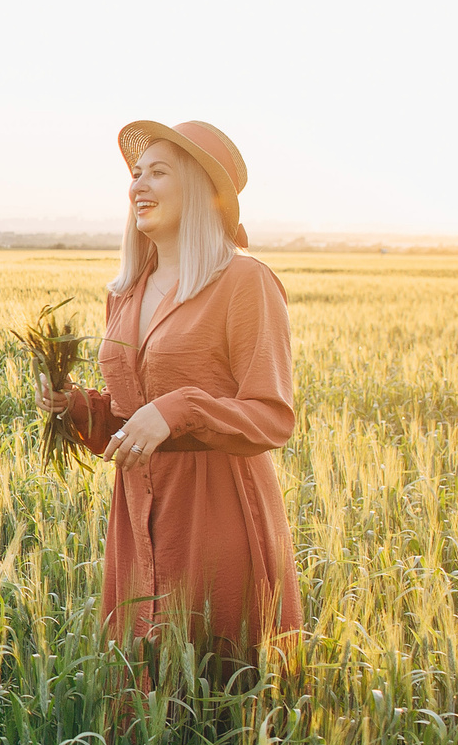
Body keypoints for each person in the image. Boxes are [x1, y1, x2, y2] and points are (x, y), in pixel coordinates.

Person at [38, 119, 300, 690]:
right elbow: (131, 412)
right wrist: (75, 406)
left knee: (218, 692)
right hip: (137, 512)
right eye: (136, 174)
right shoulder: (124, 292)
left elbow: (272, 415)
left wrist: (182, 409)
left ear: (206, 192)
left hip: (216, 510)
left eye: (158, 172)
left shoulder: (244, 283)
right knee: (142, 695)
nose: (138, 185)